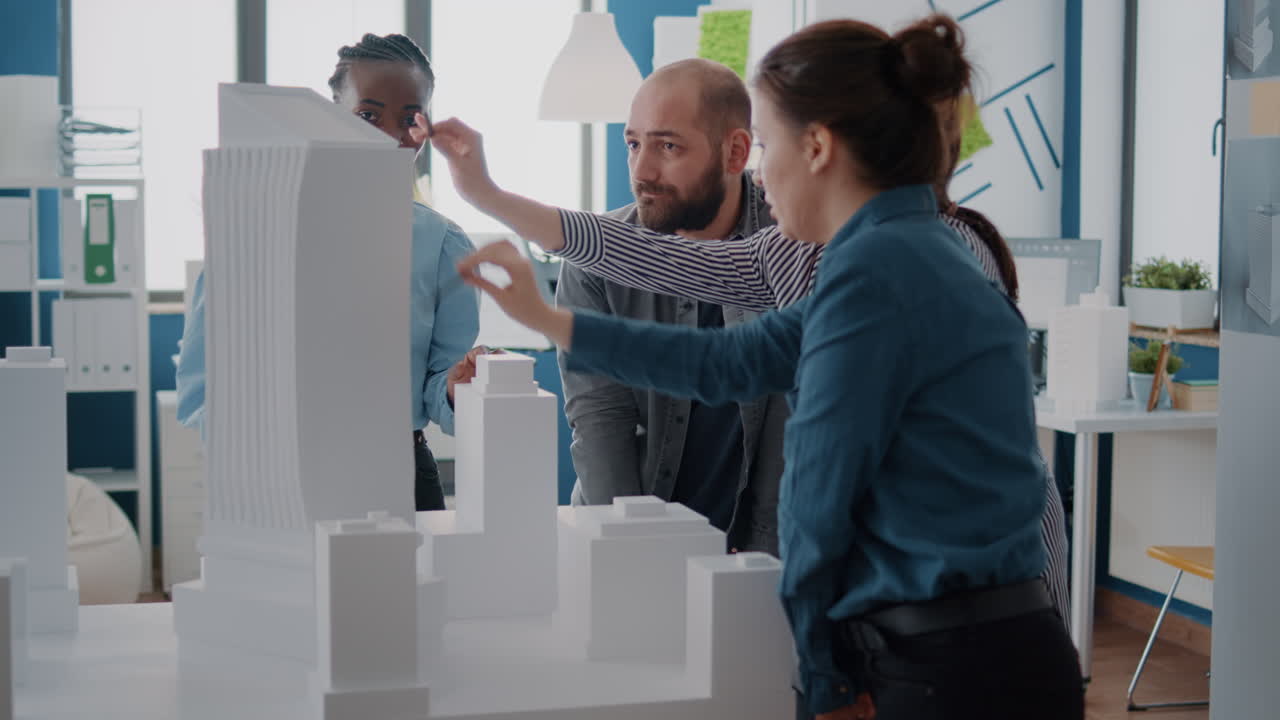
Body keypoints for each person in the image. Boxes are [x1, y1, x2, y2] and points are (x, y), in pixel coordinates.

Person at [431, 15, 1083, 720]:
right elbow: (729, 358)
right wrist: (548, 313)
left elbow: (815, 497)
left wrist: (821, 675)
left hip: (954, 664)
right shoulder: (878, 258)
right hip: (963, 649)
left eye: (766, 145)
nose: (761, 178)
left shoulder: (881, 273)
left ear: (818, 148)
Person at [176, 33, 479, 512]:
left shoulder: (443, 245)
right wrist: (260, 459)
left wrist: (458, 387)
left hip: (400, 476)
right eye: (367, 116)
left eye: (409, 119)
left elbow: (443, 393)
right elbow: (201, 385)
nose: (391, 136)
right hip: (278, 478)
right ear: (332, 116)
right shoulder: (254, 236)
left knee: (408, 589)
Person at [555, 58, 788, 554]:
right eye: (633, 144)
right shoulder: (597, 261)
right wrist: (631, 553)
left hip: (764, 554)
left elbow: (792, 441)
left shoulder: (791, 242)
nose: (642, 171)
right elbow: (600, 420)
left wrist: (764, 570)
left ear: (736, 152)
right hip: (627, 537)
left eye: (668, 146)